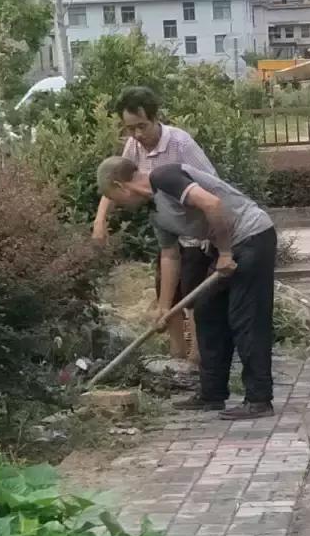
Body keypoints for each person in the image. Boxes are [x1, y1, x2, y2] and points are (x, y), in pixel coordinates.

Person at [97, 156, 278, 420]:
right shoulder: (155, 213)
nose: (118, 207)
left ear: (120, 186)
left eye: (114, 198)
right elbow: (170, 256)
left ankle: (259, 399)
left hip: (251, 237)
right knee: (207, 311)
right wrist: (164, 308)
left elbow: (212, 204)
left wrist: (226, 253)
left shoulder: (165, 177)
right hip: (225, 247)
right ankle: (212, 394)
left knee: (246, 317)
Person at [93, 86, 218, 361]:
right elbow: (117, 179)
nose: (137, 135)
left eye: (142, 126)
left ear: (155, 118)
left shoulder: (181, 144)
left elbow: (212, 187)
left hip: (197, 231)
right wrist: (100, 221)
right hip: (167, 228)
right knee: (167, 293)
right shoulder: (133, 146)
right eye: (130, 129)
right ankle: (177, 358)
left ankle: (200, 362)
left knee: (193, 297)